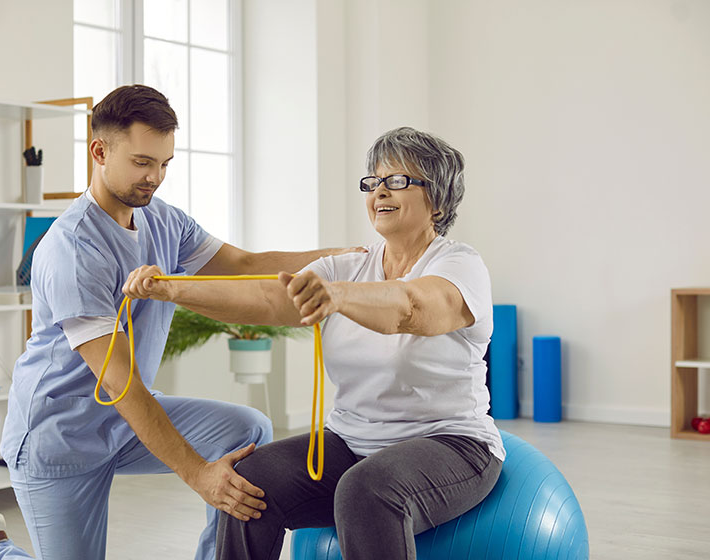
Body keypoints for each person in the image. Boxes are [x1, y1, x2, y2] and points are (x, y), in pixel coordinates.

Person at [0, 84, 360, 560]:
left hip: (123, 422)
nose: (154, 177)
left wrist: (338, 259)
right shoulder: (72, 249)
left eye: (164, 164)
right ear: (99, 151)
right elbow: (120, 383)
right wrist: (199, 476)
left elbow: (244, 264)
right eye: (141, 162)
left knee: (247, 430)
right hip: (59, 438)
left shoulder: (162, 221)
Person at [122, 127, 506, 560]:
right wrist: (173, 290)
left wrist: (338, 296)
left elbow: (412, 308)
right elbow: (267, 298)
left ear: (436, 197)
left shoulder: (459, 264)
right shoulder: (348, 266)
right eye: (373, 182)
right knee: (249, 482)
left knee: (367, 489)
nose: (380, 191)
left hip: (450, 443)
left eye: (397, 180)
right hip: (352, 440)